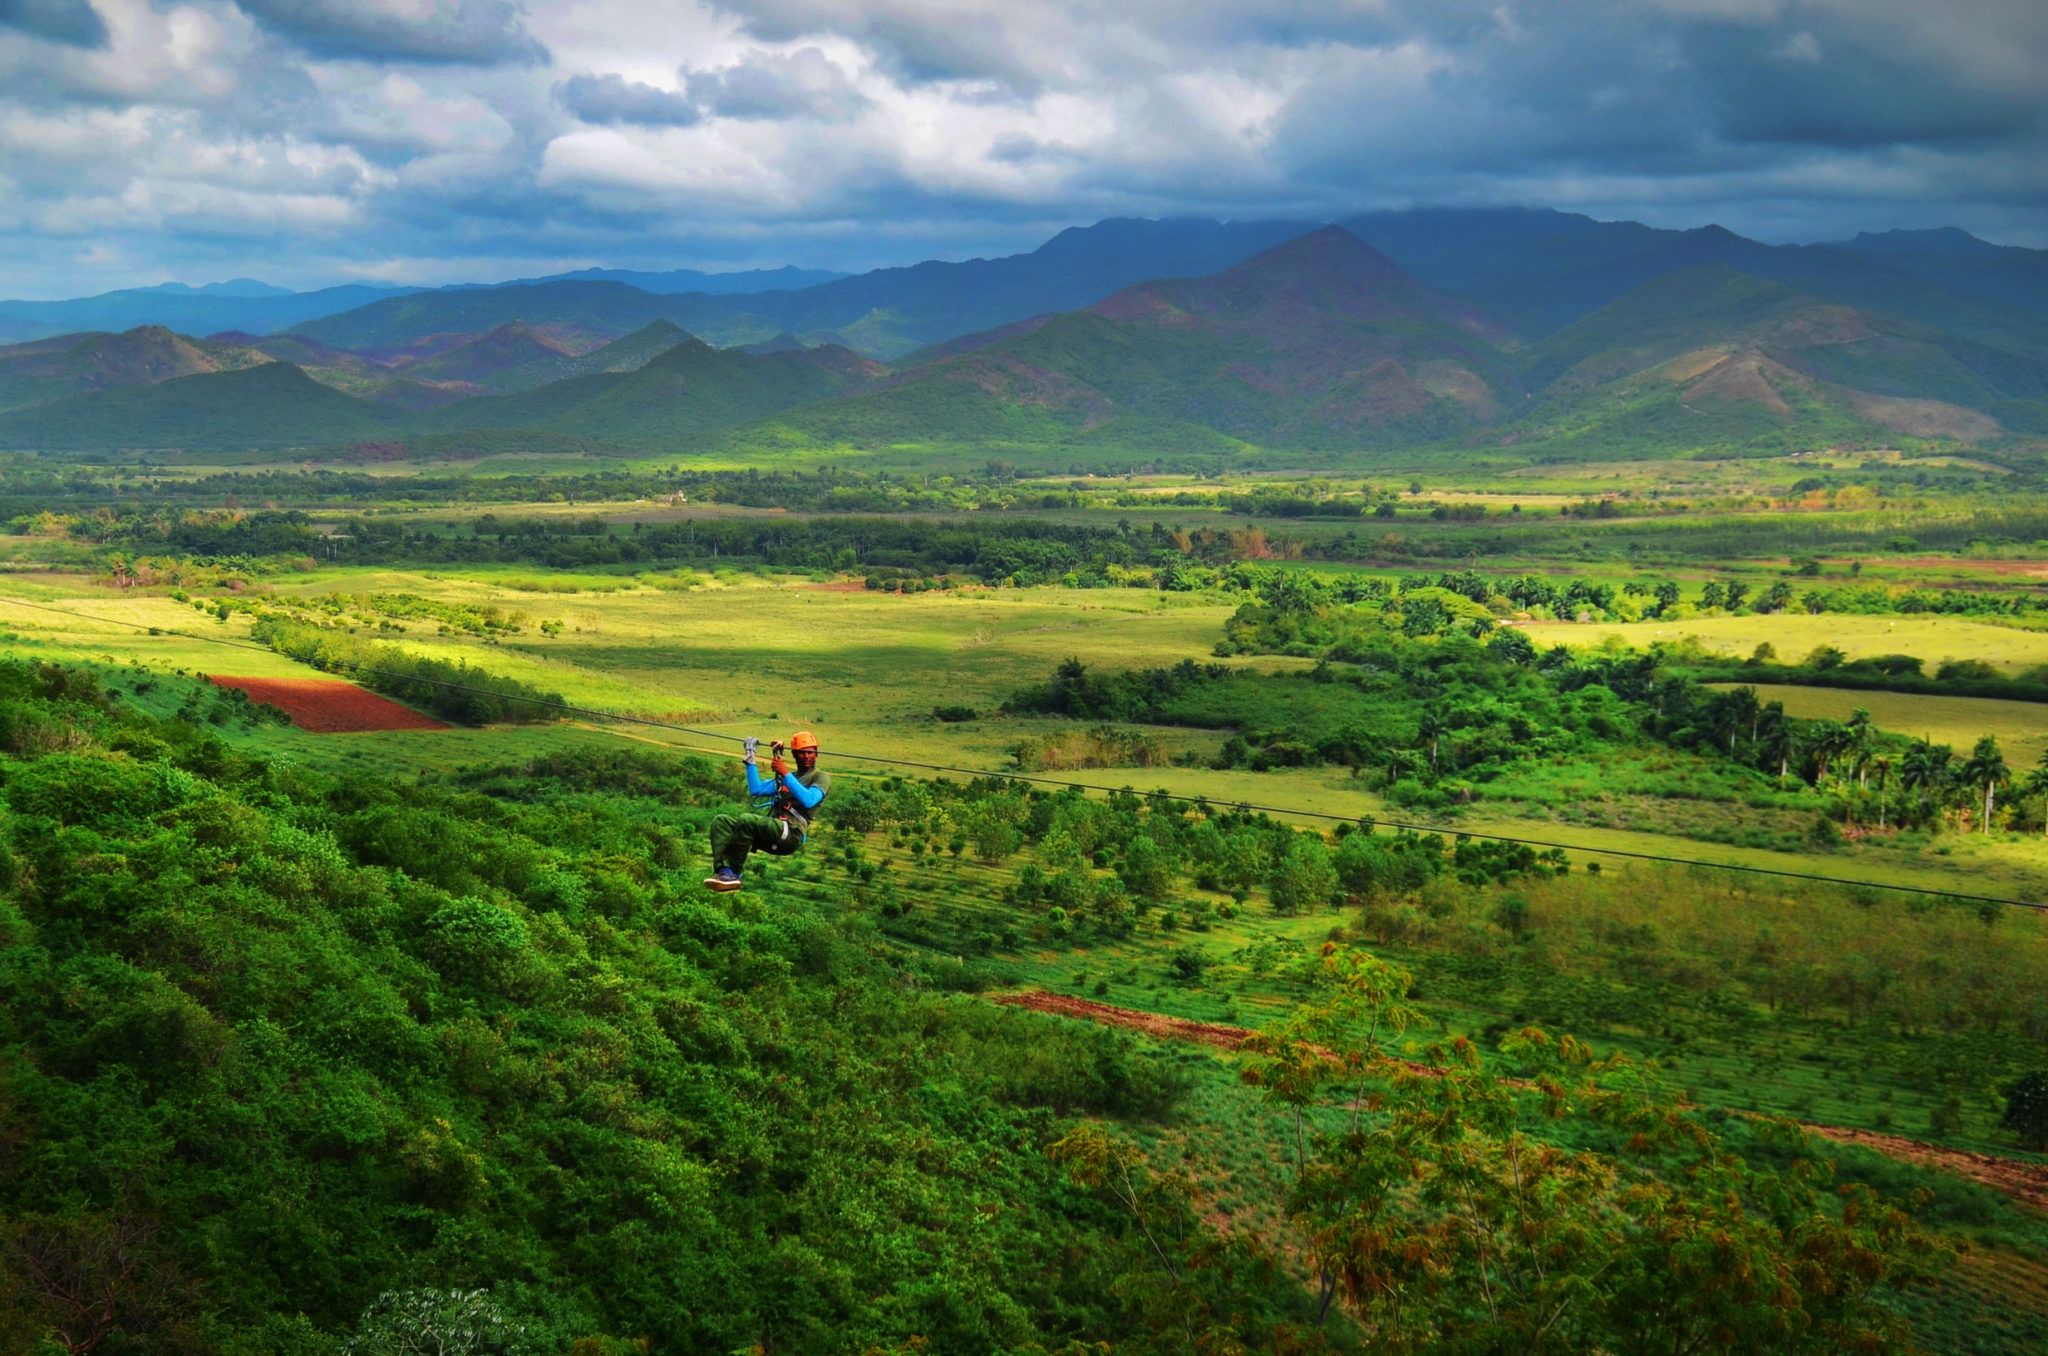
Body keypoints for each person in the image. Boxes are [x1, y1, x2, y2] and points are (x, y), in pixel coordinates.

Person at [705, 730, 828, 891]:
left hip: (791, 833)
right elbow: (756, 789)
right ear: (795, 755)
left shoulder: (820, 777)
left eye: (810, 752)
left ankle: (734, 873)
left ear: (816, 754)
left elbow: (809, 800)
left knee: (747, 819)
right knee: (721, 822)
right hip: (774, 830)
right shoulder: (789, 778)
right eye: (801, 753)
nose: (806, 756)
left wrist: (784, 773)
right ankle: (724, 873)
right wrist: (751, 757)